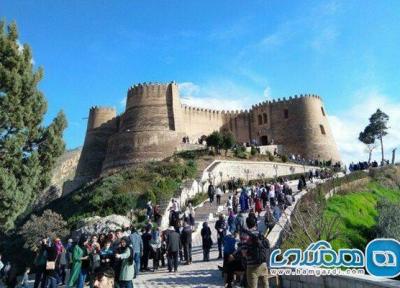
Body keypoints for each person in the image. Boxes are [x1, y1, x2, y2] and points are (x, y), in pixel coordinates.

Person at [241, 217, 270, 288]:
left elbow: (244, 253)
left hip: (252, 267)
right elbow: (267, 245)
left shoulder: (245, 235)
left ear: (247, 224)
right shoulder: (260, 233)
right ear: (255, 224)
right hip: (263, 264)